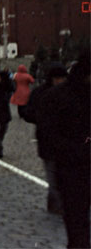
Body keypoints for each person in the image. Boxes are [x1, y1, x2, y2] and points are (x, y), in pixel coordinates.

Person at [41, 52, 90, 249]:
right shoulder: (58, 97)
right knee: (78, 224)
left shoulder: (58, 95)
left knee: (77, 222)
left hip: (73, 165)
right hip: (72, 167)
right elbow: (48, 133)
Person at [21, 63, 68, 215]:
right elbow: (28, 112)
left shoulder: (69, 92)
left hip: (67, 142)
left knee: (65, 176)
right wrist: (41, 119)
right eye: (57, 78)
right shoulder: (41, 93)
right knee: (52, 176)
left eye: (62, 78)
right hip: (47, 140)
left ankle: (58, 203)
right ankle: (56, 205)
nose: (59, 81)